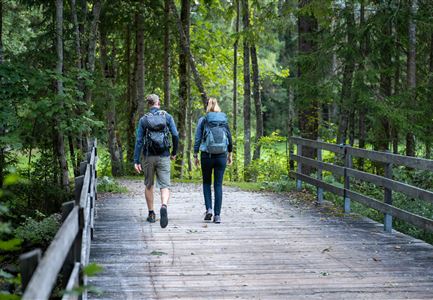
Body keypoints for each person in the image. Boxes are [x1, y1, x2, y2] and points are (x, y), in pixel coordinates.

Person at [133, 94, 178, 228]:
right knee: (165, 185)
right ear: (158, 102)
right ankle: (164, 205)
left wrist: (136, 160)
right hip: (164, 155)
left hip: (148, 156)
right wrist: (174, 152)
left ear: (148, 104)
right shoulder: (167, 116)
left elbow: (139, 141)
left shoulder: (144, 120)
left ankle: (151, 214)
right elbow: (175, 135)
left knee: (149, 185)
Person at [193, 98, 233, 224]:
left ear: (207, 107)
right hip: (221, 155)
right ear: (218, 106)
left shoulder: (204, 120)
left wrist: (195, 154)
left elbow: (198, 138)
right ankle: (217, 216)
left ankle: (209, 209)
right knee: (218, 185)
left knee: (206, 183)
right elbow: (230, 138)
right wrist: (230, 154)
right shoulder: (223, 120)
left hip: (207, 155)